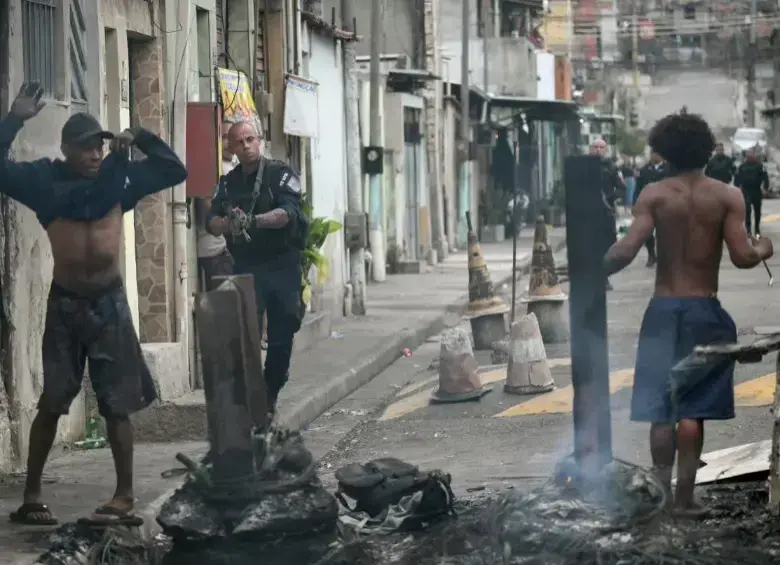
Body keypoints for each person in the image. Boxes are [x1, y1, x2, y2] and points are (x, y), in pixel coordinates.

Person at [1, 83, 188, 525]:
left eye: (100, 146)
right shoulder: (44, 181)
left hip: (109, 304)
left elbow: (175, 170)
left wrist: (141, 136)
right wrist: (14, 118)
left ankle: (124, 497)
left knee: (116, 403)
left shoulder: (119, 178)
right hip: (66, 305)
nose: (95, 153)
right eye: (86, 147)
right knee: (54, 399)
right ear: (66, 149)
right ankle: (31, 496)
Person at [603, 111, 773, 517]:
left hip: (663, 311)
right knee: (693, 409)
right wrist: (765, 248)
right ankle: (684, 499)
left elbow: (625, 251)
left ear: (664, 152)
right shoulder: (727, 196)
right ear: (706, 149)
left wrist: (590, 267)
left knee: (661, 410)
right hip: (705, 311)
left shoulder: (654, 195)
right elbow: (744, 256)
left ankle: (659, 499)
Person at [206, 120, 307, 415]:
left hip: (282, 264)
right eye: (239, 141)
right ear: (232, 147)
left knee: (282, 332)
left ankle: (271, 389)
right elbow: (210, 221)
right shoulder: (228, 183)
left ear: (259, 141)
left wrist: (254, 221)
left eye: (250, 139)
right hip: (248, 265)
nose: (246, 145)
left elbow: (289, 213)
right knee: (245, 333)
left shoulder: (280, 174)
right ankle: (250, 400)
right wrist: (226, 224)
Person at [197, 120, 235, 290]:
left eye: (231, 138)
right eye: (224, 137)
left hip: (218, 249)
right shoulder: (218, 168)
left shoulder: (228, 167)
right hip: (214, 249)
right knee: (226, 305)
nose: (229, 143)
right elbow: (208, 204)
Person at [590, 139, 622, 290]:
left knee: (607, 244)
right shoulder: (583, 167)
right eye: (595, 147)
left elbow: (622, 188)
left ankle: (604, 276)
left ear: (605, 150)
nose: (598, 150)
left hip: (606, 211)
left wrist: (610, 198)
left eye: (601, 147)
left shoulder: (612, 167)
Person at [635, 152, 670, 267]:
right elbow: (638, 187)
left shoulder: (669, 169)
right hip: (648, 205)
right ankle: (651, 255)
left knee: (664, 232)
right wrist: (635, 203)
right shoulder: (644, 170)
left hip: (665, 204)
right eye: (653, 154)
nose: (655, 156)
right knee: (647, 232)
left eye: (657, 154)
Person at [734, 150, 770, 236]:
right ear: (746, 155)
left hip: (756, 190)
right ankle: (748, 230)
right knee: (747, 211)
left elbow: (765, 177)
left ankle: (757, 230)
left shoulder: (760, 166)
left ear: (754, 154)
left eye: (752, 153)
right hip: (746, 191)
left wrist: (765, 188)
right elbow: (737, 178)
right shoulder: (742, 166)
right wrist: (737, 188)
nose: (750, 155)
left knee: (757, 211)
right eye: (748, 153)